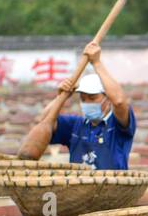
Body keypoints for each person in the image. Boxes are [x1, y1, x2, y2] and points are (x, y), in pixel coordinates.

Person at [18, 41, 135, 169]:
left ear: (107, 98)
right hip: (80, 188)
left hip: (112, 188)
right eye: (83, 99)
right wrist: (61, 97)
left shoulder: (117, 124)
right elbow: (45, 120)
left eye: (92, 98)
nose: (87, 103)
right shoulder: (75, 125)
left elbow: (119, 101)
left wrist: (96, 63)